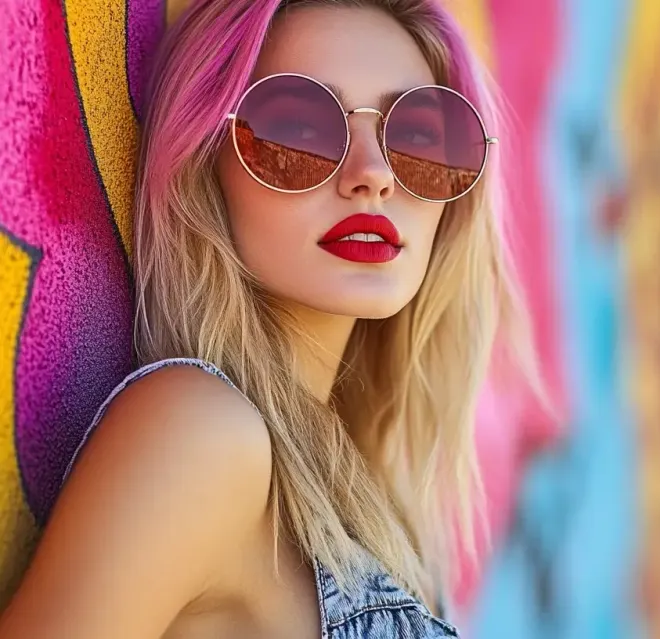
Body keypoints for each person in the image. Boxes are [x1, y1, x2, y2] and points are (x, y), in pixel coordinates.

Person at [0, 0, 537, 637]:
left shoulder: (378, 500)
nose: (374, 177)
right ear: (205, 164)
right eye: (300, 128)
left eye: (420, 136)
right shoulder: (200, 434)